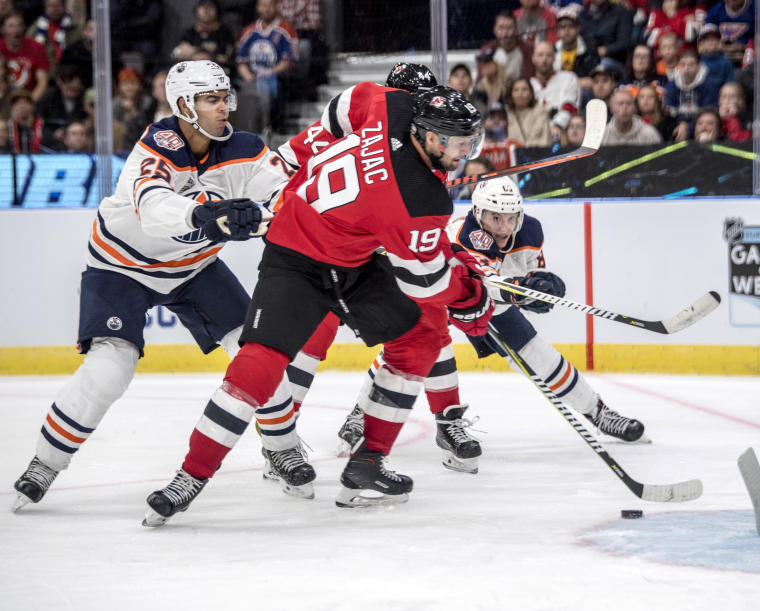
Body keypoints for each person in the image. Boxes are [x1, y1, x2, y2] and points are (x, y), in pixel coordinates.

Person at [142, 82, 492, 524]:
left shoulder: (390, 102)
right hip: (297, 261)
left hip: (349, 258)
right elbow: (426, 283)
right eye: (462, 143)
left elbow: (343, 107)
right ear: (431, 137)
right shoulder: (421, 198)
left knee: (421, 336)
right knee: (259, 363)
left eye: (471, 141)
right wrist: (471, 296)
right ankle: (190, 477)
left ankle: (368, 465)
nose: (468, 151)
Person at [11, 60, 305, 514]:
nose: (224, 107)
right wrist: (207, 215)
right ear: (184, 105)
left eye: (224, 97)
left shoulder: (245, 148)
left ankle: (282, 447)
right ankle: (45, 463)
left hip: (193, 268)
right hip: (119, 265)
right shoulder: (157, 144)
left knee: (255, 352)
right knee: (110, 368)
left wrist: (272, 214)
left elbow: (285, 193)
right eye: (211, 99)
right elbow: (152, 206)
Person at [335, 177, 649, 475]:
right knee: (408, 354)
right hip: (442, 294)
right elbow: (483, 278)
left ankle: (599, 412)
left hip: (490, 301)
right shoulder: (463, 233)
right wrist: (519, 290)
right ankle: (360, 416)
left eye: (510, 218)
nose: (504, 227)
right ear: (477, 212)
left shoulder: (531, 232)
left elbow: (522, 279)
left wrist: (538, 288)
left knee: (539, 353)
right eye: (495, 218)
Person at [235, 0, 297, 130]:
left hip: (277, 77)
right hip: (252, 78)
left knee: (265, 87)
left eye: (270, 5)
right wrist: (249, 77)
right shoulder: (249, 31)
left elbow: (288, 61)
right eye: (263, 5)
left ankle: (266, 127)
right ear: (258, 7)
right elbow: (241, 62)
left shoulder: (287, 30)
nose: (267, 9)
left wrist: (269, 72)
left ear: (276, 7)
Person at [529, 40, 581, 143]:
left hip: (562, 134)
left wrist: (557, 125)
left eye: (548, 55)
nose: (544, 59)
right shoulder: (527, 85)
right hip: (533, 135)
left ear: (554, 58)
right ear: (533, 58)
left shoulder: (569, 78)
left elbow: (570, 107)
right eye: (540, 55)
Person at [171, 0, 236, 76]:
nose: (206, 10)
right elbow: (177, 53)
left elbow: (226, 55)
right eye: (203, 7)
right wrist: (205, 49)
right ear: (196, 10)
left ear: (217, 10)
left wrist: (194, 50)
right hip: (192, 74)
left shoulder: (224, 32)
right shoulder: (189, 33)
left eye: (210, 6)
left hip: (218, 74)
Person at [0, 11, 50, 102]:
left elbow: (43, 82)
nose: (16, 30)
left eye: (19, 25)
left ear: (24, 28)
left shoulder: (37, 47)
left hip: (29, 97)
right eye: (11, 26)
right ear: (3, 29)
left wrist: (28, 103)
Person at [553, 5, 599, 89]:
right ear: (557, 31)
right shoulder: (552, 51)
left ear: (578, 29)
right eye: (562, 27)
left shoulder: (589, 51)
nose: (566, 30)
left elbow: (592, 81)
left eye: (571, 26)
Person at [506, 76, 552, 147]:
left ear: (531, 94)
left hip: (535, 155)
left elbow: (544, 141)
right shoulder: (506, 114)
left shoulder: (541, 112)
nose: (520, 94)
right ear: (511, 94)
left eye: (524, 90)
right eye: (516, 90)